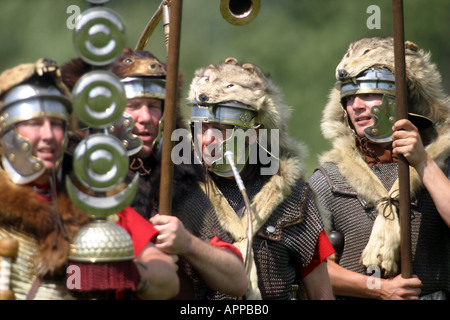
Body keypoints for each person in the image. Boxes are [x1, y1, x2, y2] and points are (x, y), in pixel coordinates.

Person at [61, 48, 249, 300]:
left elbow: (237, 281)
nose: (145, 117)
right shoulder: (75, 182)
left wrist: (187, 243)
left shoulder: (179, 187)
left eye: (153, 106)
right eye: (133, 105)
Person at [0, 58, 179, 300]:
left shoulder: (94, 198)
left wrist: (127, 272)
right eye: (34, 124)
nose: (48, 135)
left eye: (56, 123)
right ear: (7, 130)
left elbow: (166, 278)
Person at [308, 37, 450, 300]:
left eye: (370, 94)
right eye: (350, 98)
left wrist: (423, 162)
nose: (357, 106)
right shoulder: (329, 178)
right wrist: (380, 289)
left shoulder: (442, 165)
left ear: (401, 100)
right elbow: (312, 268)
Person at [185, 57, 335, 300]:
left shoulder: (293, 195)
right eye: (202, 128)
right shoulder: (182, 192)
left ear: (251, 135)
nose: (207, 140)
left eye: (222, 129)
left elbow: (321, 294)